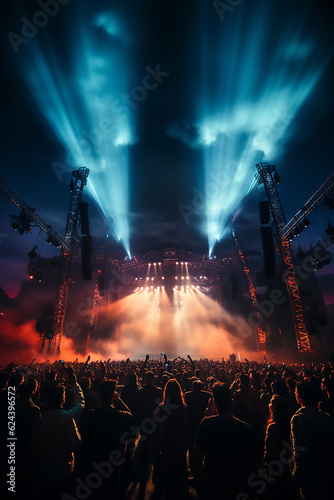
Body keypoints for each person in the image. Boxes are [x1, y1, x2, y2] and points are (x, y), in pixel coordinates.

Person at [194, 382, 261, 500]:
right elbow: (256, 463)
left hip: (214, 485)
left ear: (214, 402)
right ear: (232, 402)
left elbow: (197, 458)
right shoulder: (246, 429)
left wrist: (202, 483)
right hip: (238, 487)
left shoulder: (207, 424)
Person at [32, 368, 84, 499]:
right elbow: (75, 443)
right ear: (62, 399)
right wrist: (74, 382)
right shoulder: (67, 417)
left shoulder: (40, 417)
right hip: (62, 470)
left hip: (42, 470)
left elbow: (33, 446)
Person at [291, 379, 334, 499]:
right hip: (327, 473)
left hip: (311, 478)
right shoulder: (327, 418)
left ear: (299, 397)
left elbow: (300, 454)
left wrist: (295, 477)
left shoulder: (298, 419)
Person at [155, 379, 189, 500]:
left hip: (167, 442)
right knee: (181, 470)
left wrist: (157, 445)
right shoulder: (183, 407)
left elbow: (157, 428)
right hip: (180, 441)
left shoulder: (162, 408)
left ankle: (169, 495)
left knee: (167, 473)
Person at [264, 395, 296, 500]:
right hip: (290, 465)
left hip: (277, 467)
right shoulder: (291, 424)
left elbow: (270, 451)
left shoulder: (273, 427)